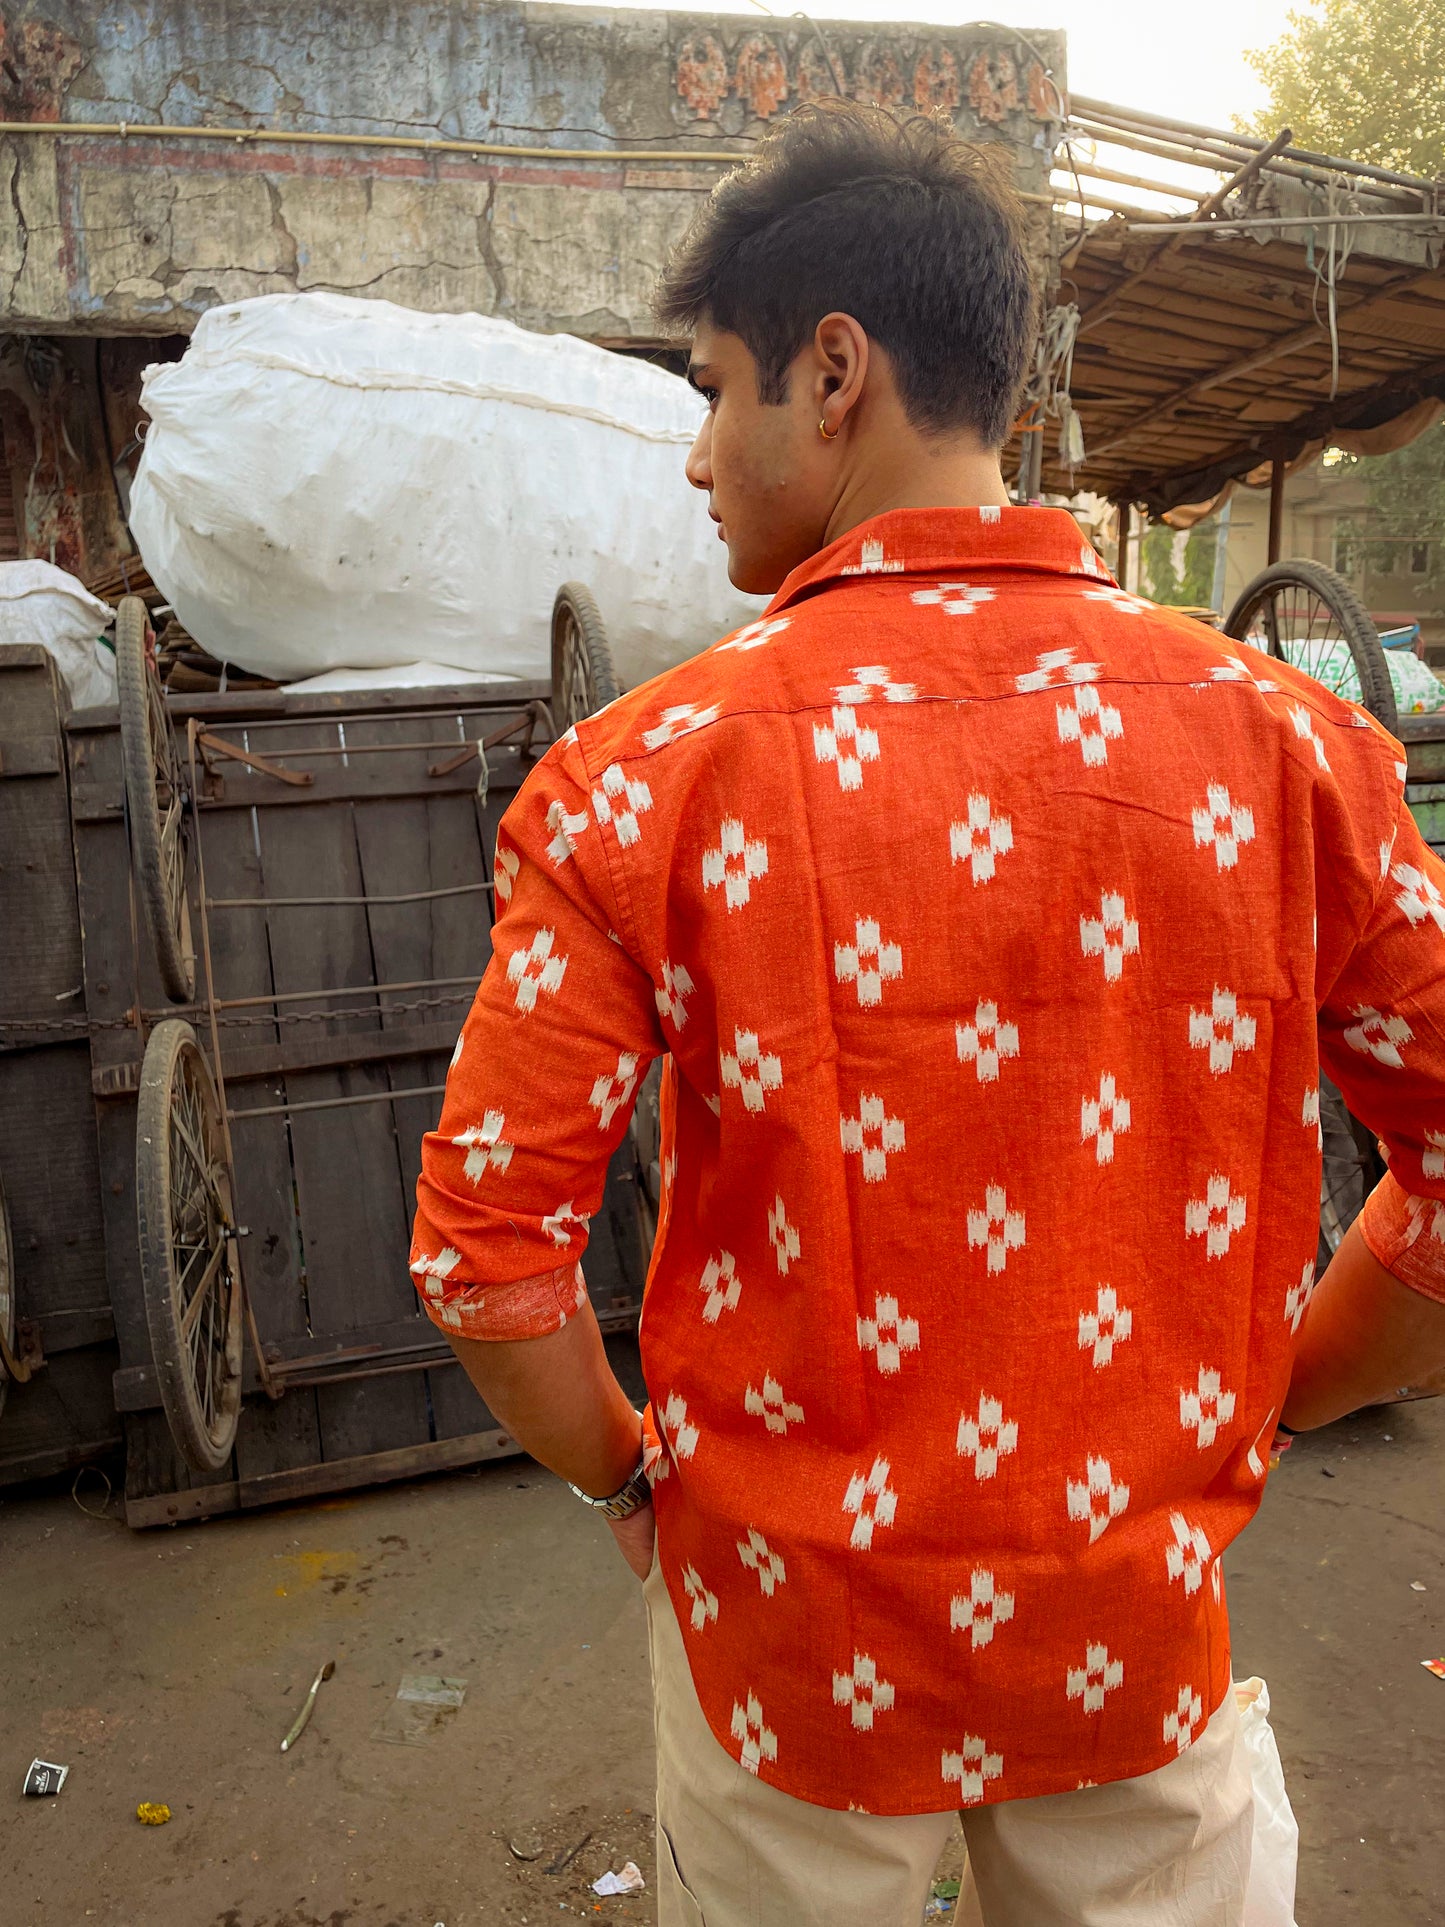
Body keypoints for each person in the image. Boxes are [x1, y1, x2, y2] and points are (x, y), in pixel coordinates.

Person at [410, 102, 1445, 1927]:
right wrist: (1261, 1404)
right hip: (1135, 1641)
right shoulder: (1287, 747)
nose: (694, 455)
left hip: (781, 1651)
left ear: (832, 375)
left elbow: (487, 1262)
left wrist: (634, 1491)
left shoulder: (639, 779)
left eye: (711, 388)